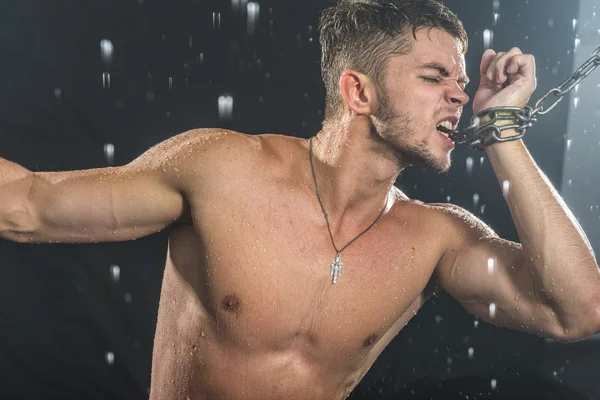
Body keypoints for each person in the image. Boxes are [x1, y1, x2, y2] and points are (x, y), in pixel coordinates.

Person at [1, 0, 599, 398]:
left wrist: (504, 130)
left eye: (461, 83)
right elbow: (25, 206)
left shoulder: (437, 238)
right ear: (358, 91)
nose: (459, 98)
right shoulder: (225, 169)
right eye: (434, 77)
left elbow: (578, 311)